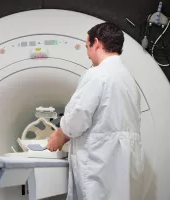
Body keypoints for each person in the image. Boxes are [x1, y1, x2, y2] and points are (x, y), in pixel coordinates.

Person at [46, 22, 144, 200]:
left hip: (100, 164)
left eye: (87, 46)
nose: (87, 53)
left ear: (96, 43)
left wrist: (60, 134)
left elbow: (77, 118)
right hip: (122, 164)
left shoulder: (97, 74)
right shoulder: (128, 78)